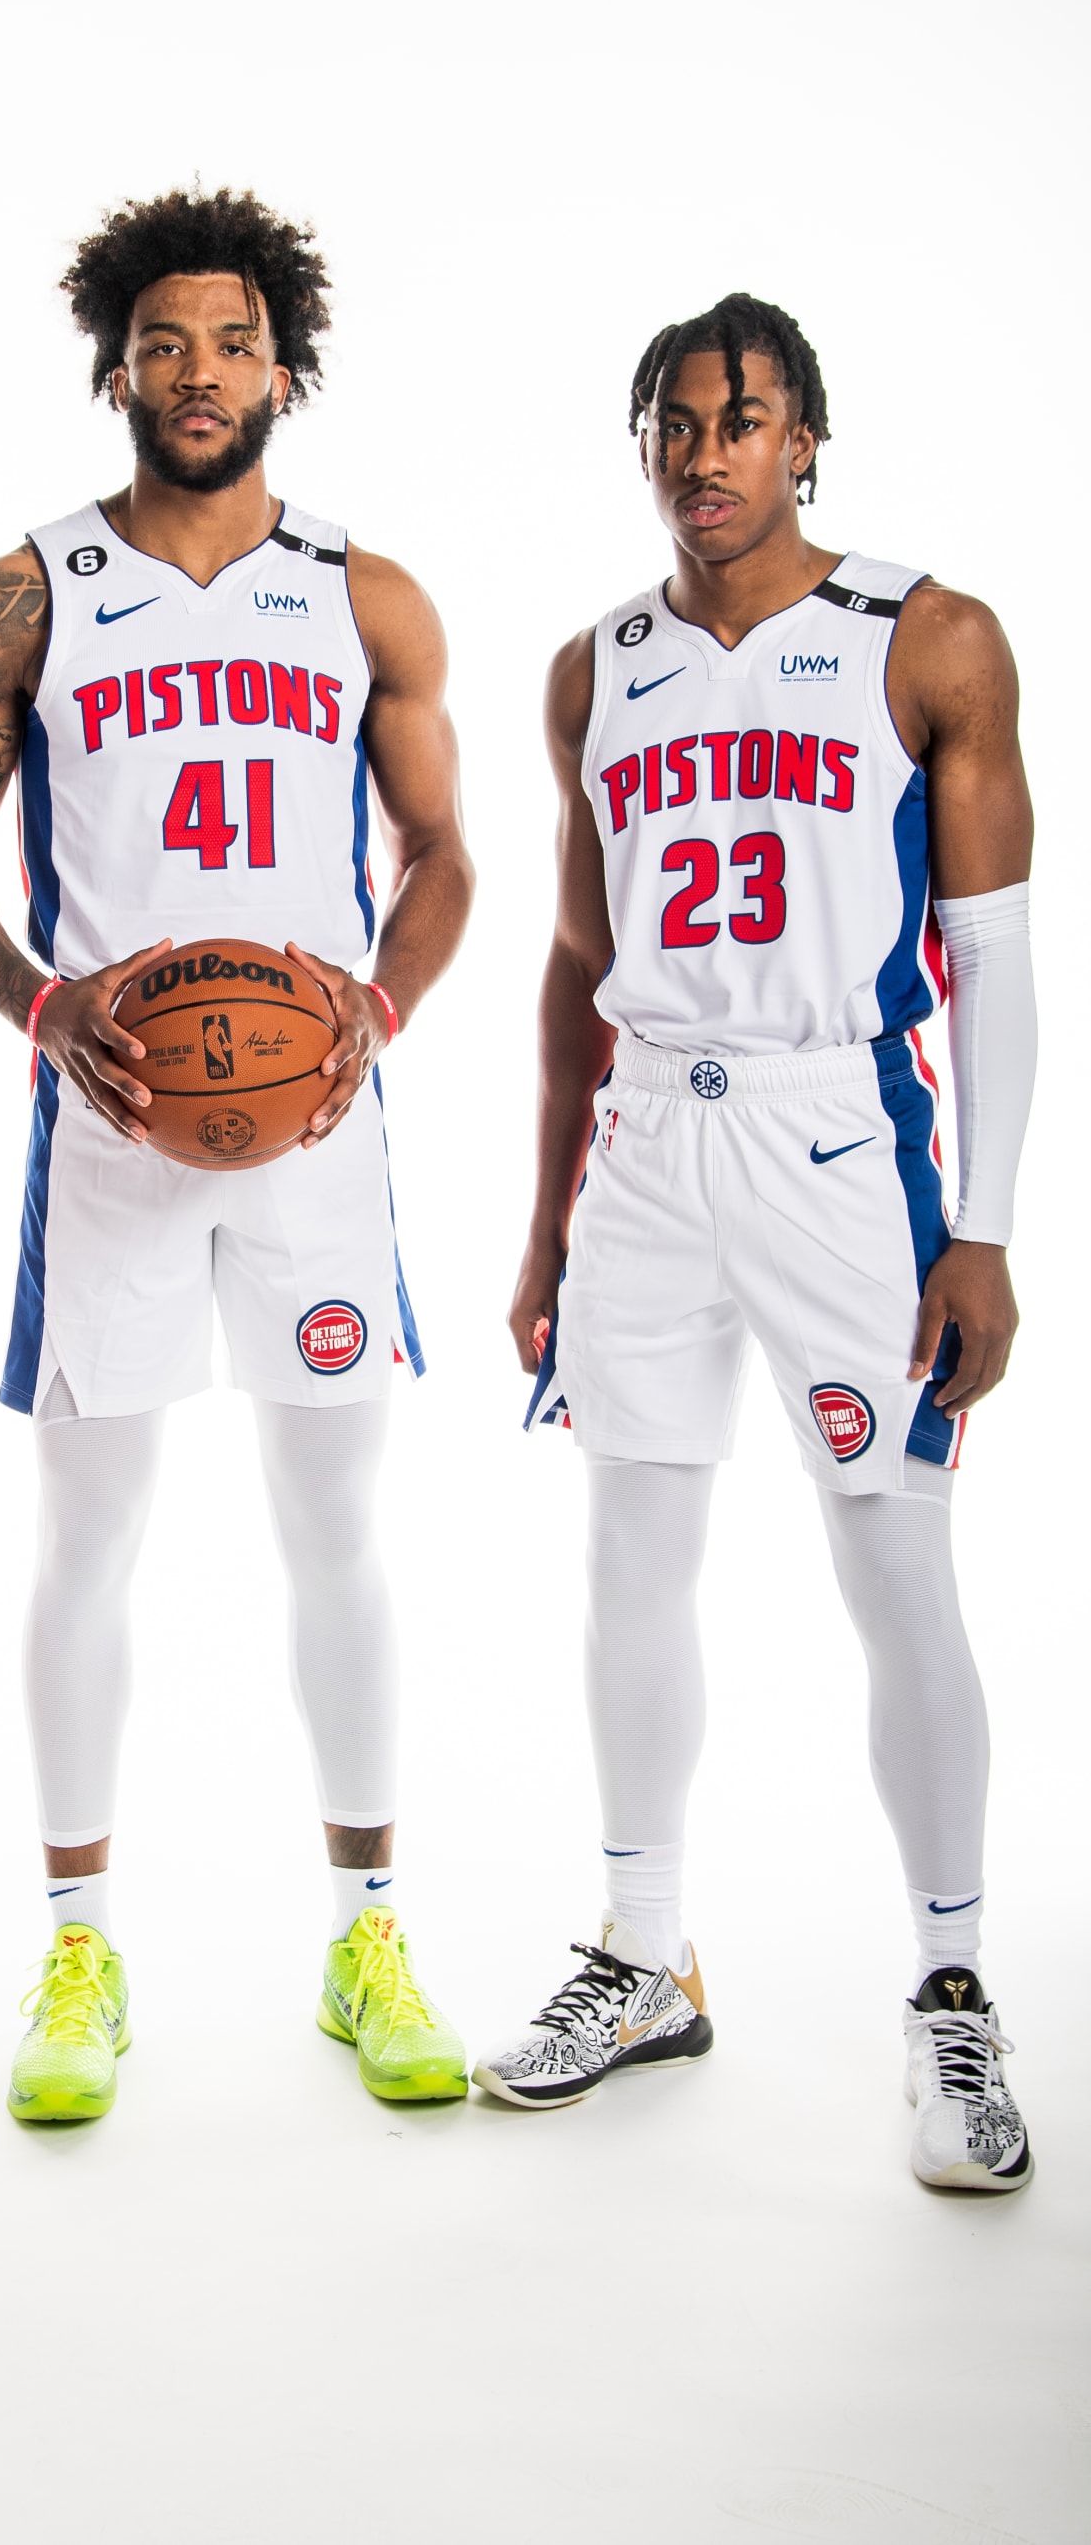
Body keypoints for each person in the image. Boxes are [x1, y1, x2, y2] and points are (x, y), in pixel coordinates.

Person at [0, 188, 474, 2118]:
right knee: (91, 1539)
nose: (198, 373)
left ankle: (369, 1935)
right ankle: (79, 1953)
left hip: (319, 1137)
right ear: (117, 371)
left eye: (231, 342)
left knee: (338, 1532)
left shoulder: (367, 595)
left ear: (283, 368)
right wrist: (46, 1007)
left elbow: (445, 857)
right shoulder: (26, 594)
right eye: (164, 345)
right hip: (114, 1132)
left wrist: (378, 1011)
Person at [479, 293, 1036, 2192]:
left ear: (806, 439)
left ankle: (952, 1991)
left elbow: (994, 962)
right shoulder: (596, 667)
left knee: (896, 1563)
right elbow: (576, 960)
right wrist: (547, 1220)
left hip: (836, 1142)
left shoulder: (925, 636)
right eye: (677, 422)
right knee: (632, 1554)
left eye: (744, 419)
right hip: (647, 1141)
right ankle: (644, 1955)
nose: (706, 453)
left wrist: (985, 1230)